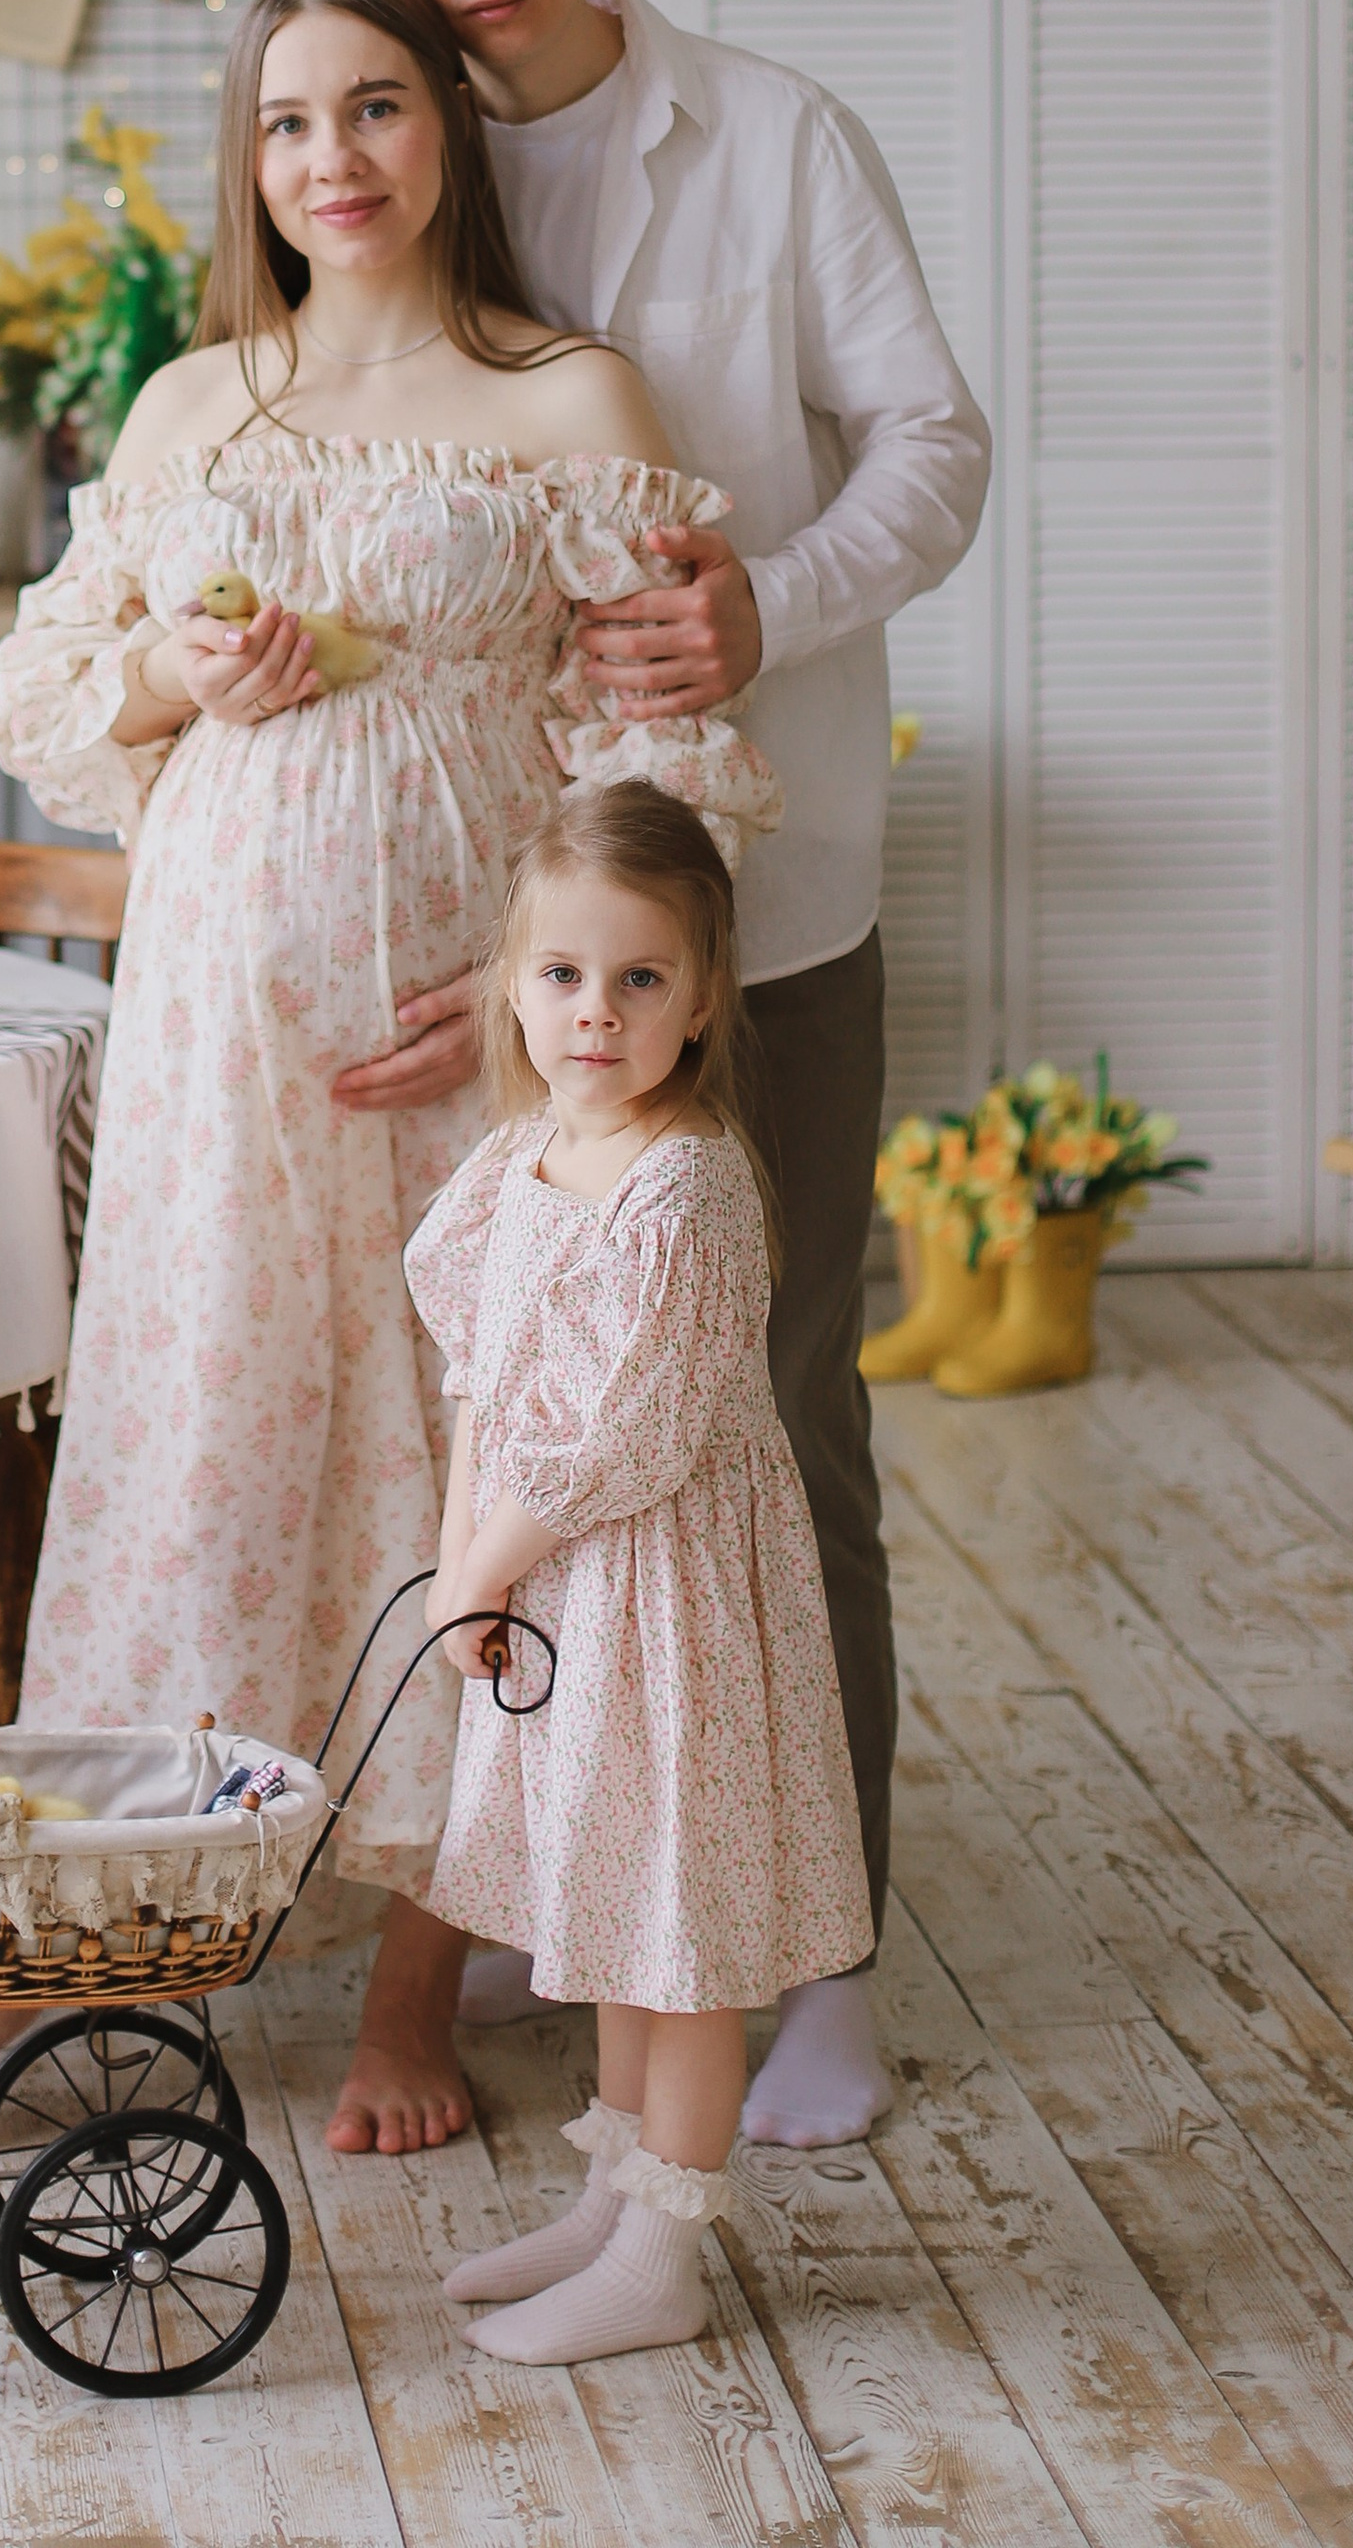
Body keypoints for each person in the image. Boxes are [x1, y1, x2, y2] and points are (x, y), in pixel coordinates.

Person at [0, 0, 782, 2157]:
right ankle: (78, 1935)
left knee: (461, 1470)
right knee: (188, 1443)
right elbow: (42, 701)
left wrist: (540, 1013)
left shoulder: (565, 403)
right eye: (284, 123)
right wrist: (173, 667)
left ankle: (420, 1977)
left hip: (472, 1025)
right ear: (245, 163)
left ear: (449, 127)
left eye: (376, 109)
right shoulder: (186, 409)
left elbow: (659, 764)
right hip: (216, 1035)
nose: (331, 159)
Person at [341, 0, 990, 2147]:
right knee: (530, 1427)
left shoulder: (776, 138)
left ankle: (815, 1953)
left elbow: (928, 442)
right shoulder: (372, 155)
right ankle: (586, 1900)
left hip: (762, 899)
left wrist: (771, 605)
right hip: (499, 929)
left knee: (769, 1408)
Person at [411, 781, 870, 2363]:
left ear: (704, 996)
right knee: (606, 1898)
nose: (594, 1013)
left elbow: (629, 1434)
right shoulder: (525, 1158)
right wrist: (462, 1552)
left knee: (679, 1930)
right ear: (514, 986)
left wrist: (493, 1565)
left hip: (663, 1595)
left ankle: (667, 2251)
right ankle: (616, 2198)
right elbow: (480, 1373)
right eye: (561, 976)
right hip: (555, 1583)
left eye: (639, 979)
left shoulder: (687, 1187)